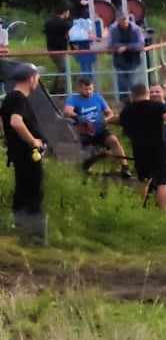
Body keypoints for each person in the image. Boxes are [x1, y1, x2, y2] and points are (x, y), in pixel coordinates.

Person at [117, 83, 166, 210]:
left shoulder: (127, 110)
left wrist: (105, 121)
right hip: (159, 150)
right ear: (147, 93)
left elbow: (121, 124)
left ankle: (140, 208)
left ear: (132, 95)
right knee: (163, 182)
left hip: (139, 150)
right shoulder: (157, 106)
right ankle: (163, 213)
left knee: (143, 181)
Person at [4, 63, 51, 243]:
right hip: (27, 154)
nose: (38, 80)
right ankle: (36, 238)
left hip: (20, 154)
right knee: (33, 193)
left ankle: (22, 232)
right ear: (31, 78)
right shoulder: (19, 98)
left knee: (23, 192)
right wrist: (34, 141)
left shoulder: (10, 98)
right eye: (37, 76)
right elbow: (16, 122)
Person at [61, 78, 123, 173]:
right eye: (86, 89)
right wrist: (78, 117)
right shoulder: (73, 99)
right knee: (91, 152)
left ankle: (124, 166)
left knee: (113, 140)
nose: (89, 92)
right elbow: (67, 111)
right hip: (84, 132)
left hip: (100, 129)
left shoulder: (97, 97)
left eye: (90, 89)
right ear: (79, 89)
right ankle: (86, 167)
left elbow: (109, 113)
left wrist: (105, 120)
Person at [107, 11, 145, 99]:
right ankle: (124, 102)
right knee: (121, 83)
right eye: (122, 19)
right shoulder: (113, 30)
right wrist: (118, 47)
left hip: (134, 60)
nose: (124, 21)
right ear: (117, 20)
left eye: (125, 19)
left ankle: (136, 100)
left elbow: (141, 44)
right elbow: (110, 44)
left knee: (133, 82)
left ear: (128, 19)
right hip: (119, 61)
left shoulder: (136, 29)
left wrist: (126, 47)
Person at [67, 9, 101, 95]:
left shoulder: (78, 25)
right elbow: (98, 36)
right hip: (86, 51)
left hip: (84, 52)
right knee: (87, 73)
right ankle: (87, 91)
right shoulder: (91, 24)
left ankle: (87, 90)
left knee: (87, 72)